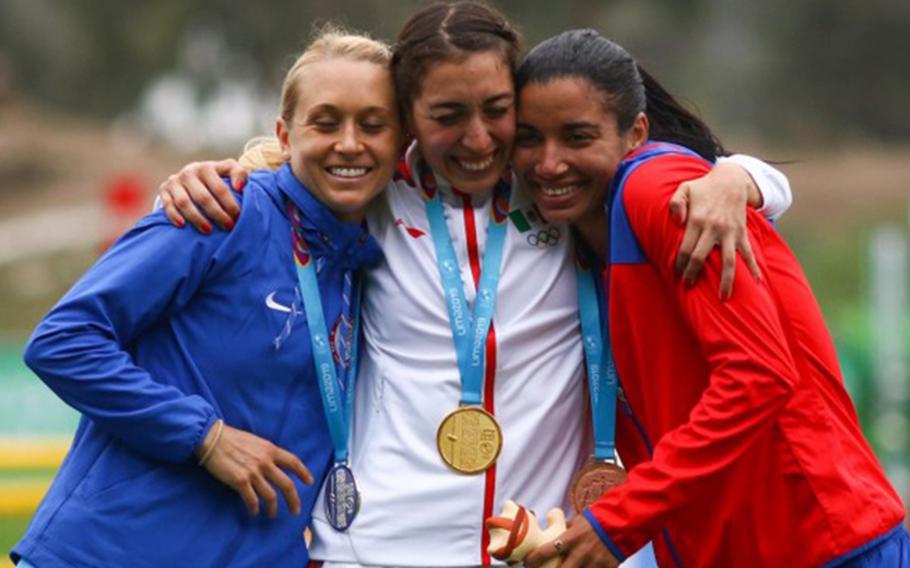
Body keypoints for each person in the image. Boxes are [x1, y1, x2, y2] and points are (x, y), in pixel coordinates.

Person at [156, 3, 793, 566]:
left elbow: (701, 172)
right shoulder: (374, 194)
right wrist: (204, 176)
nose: (479, 138)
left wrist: (741, 178)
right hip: (379, 546)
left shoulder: (557, 183)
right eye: (447, 116)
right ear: (407, 117)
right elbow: (288, 174)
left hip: (539, 542)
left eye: (497, 111)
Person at [509, 29, 909, 568]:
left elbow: (758, 376)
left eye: (577, 137)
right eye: (529, 138)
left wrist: (619, 521)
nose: (548, 162)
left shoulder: (658, 190)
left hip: (819, 543)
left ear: (636, 133)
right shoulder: (577, 234)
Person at [10, 28, 399, 568]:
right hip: (109, 553)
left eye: (373, 125)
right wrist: (206, 437)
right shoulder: (222, 211)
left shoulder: (371, 260)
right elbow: (61, 341)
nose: (350, 143)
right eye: (326, 121)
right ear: (285, 135)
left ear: (401, 143)